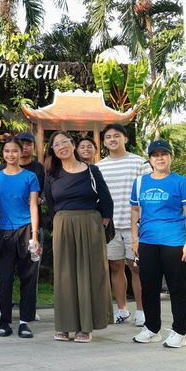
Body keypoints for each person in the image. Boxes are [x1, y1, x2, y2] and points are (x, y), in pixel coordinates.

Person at [45, 130, 113, 343]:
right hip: (64, 224)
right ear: (53, 151)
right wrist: (63, 223)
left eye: (64, 142)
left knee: (89, 274)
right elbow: (50, 204)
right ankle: (65, 326)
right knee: (65, 275)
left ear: (72, 144)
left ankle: (86, 327)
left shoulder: (92, 170)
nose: (61, 147)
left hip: (90, 224)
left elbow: (106, 200)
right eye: (56, 145)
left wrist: (99, 224)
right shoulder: (51, 175)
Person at [131, 140, 186, 349]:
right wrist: (135, 239)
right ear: (149, 159)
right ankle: (152, 329)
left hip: (174, 242)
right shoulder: (140, 182)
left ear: (170, 157)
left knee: (177, 288)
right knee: (148, 287)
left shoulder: (181, 183)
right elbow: (135, 211)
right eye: (155, 155)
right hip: (147, 242)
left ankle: (179, 332)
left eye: (164, 154)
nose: (160, 158)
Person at [96, 123, 152, 327]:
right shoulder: (99, 167)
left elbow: (148, 192)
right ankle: (122, 309)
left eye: (116, 136)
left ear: (125, 139)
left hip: (135, 226)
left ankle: (142, 310)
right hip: (111, 226)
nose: (112, 139)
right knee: (115, 266)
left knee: (136, 267)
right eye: (108, 137)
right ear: (103, 142)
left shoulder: (139, 163)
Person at [0, 138, 41, 338]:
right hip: (4, 232)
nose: (11, 155)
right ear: (3, 153)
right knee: (4, 279)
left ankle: (24, 322)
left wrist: (35, 236)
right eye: (7, 151)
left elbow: (34, 206)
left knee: (28, 277)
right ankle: (4, 320)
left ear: (21, 153)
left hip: (27, 230)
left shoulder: (31, 177)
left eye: (15, 151)